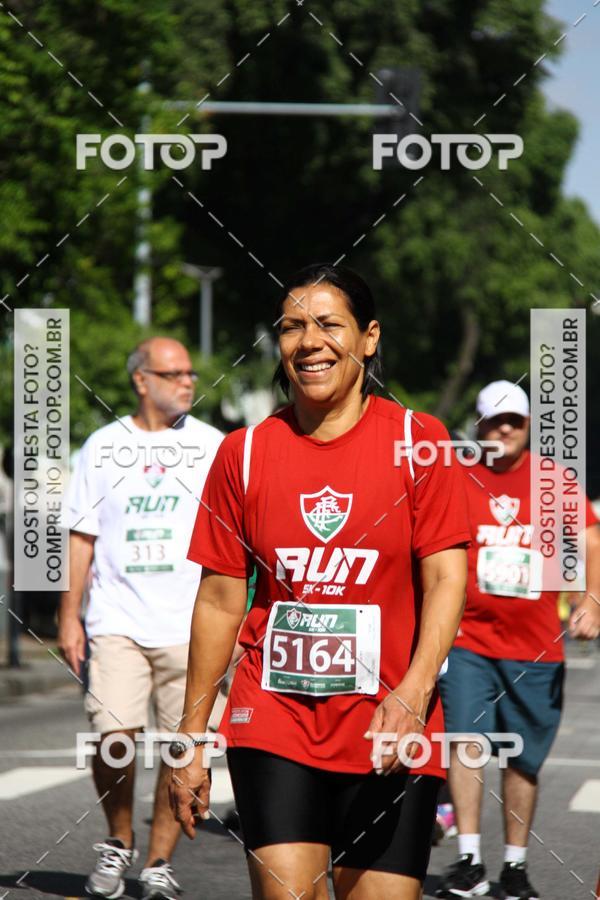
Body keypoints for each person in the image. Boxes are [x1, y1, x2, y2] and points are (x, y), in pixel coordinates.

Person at [168, 264, 471, 900]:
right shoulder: (243, 454)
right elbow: (220, 603)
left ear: (369, 338)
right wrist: (190, 741)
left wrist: (416, 690)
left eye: (330, 324)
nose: (310, 341)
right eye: (292, 327)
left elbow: (446, 578)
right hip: (273, 718)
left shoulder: (421, 443)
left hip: (390, 722)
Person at [58, 337, 223, 900]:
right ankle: (118, 839)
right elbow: (82, 535)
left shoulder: (212, 446)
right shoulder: (103, 447)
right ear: (141, 380)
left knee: (183, 748)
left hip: (192, 624)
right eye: (173, 373)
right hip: (116, 619)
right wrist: (68, 616)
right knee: (113, 737)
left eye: (190, 372)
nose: (187, 381)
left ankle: (158, 862)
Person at [436, 380, 600, 900]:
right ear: (480, 425)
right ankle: (467, 862)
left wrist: (591, 599)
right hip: (468, 641)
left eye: (515, 420)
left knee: (523, 760)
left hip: (535, 648)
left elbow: (591, 538)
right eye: (494, 420)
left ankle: (514, 867)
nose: (505, 428)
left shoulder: (552, 480)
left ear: (528, 426)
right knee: (463, 742)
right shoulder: (457, 477)